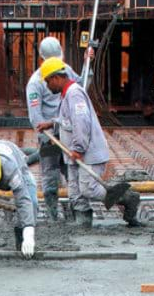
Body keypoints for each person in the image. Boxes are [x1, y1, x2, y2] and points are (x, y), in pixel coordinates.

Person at [36, 57, 141, 228]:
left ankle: (128, 198)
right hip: (74, 153)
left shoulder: (74, 93)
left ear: (56, 78)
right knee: (75, 192)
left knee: (88, 189)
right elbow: (67, 119)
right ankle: (83, 222)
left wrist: (79, 148)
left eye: (48, 82)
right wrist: (52, 123)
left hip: (87, 153)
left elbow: (81, 121)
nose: (48, 87)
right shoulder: (66, 95)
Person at [26, 37, 80, 220]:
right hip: (49, 136)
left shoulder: (67, 71)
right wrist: (46, 136)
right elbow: (35, 116)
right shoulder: (35, 83)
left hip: (67, 131)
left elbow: (80, 86)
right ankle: (52, 214)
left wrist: (90, 65)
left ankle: (76, 210)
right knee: (50, 176)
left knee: (72, 171)